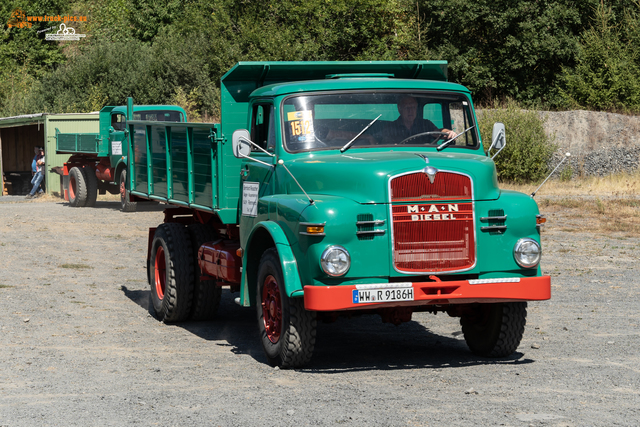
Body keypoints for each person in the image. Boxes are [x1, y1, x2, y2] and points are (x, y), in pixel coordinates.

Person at [384, 96, 457, 144]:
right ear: (400, 110)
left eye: (413, 107)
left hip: (425, 157)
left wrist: (448, 133)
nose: (410, 111)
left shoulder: (425, 124)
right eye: (407, 108)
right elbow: (385, 144)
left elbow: (438, 132)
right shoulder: (391, 127)